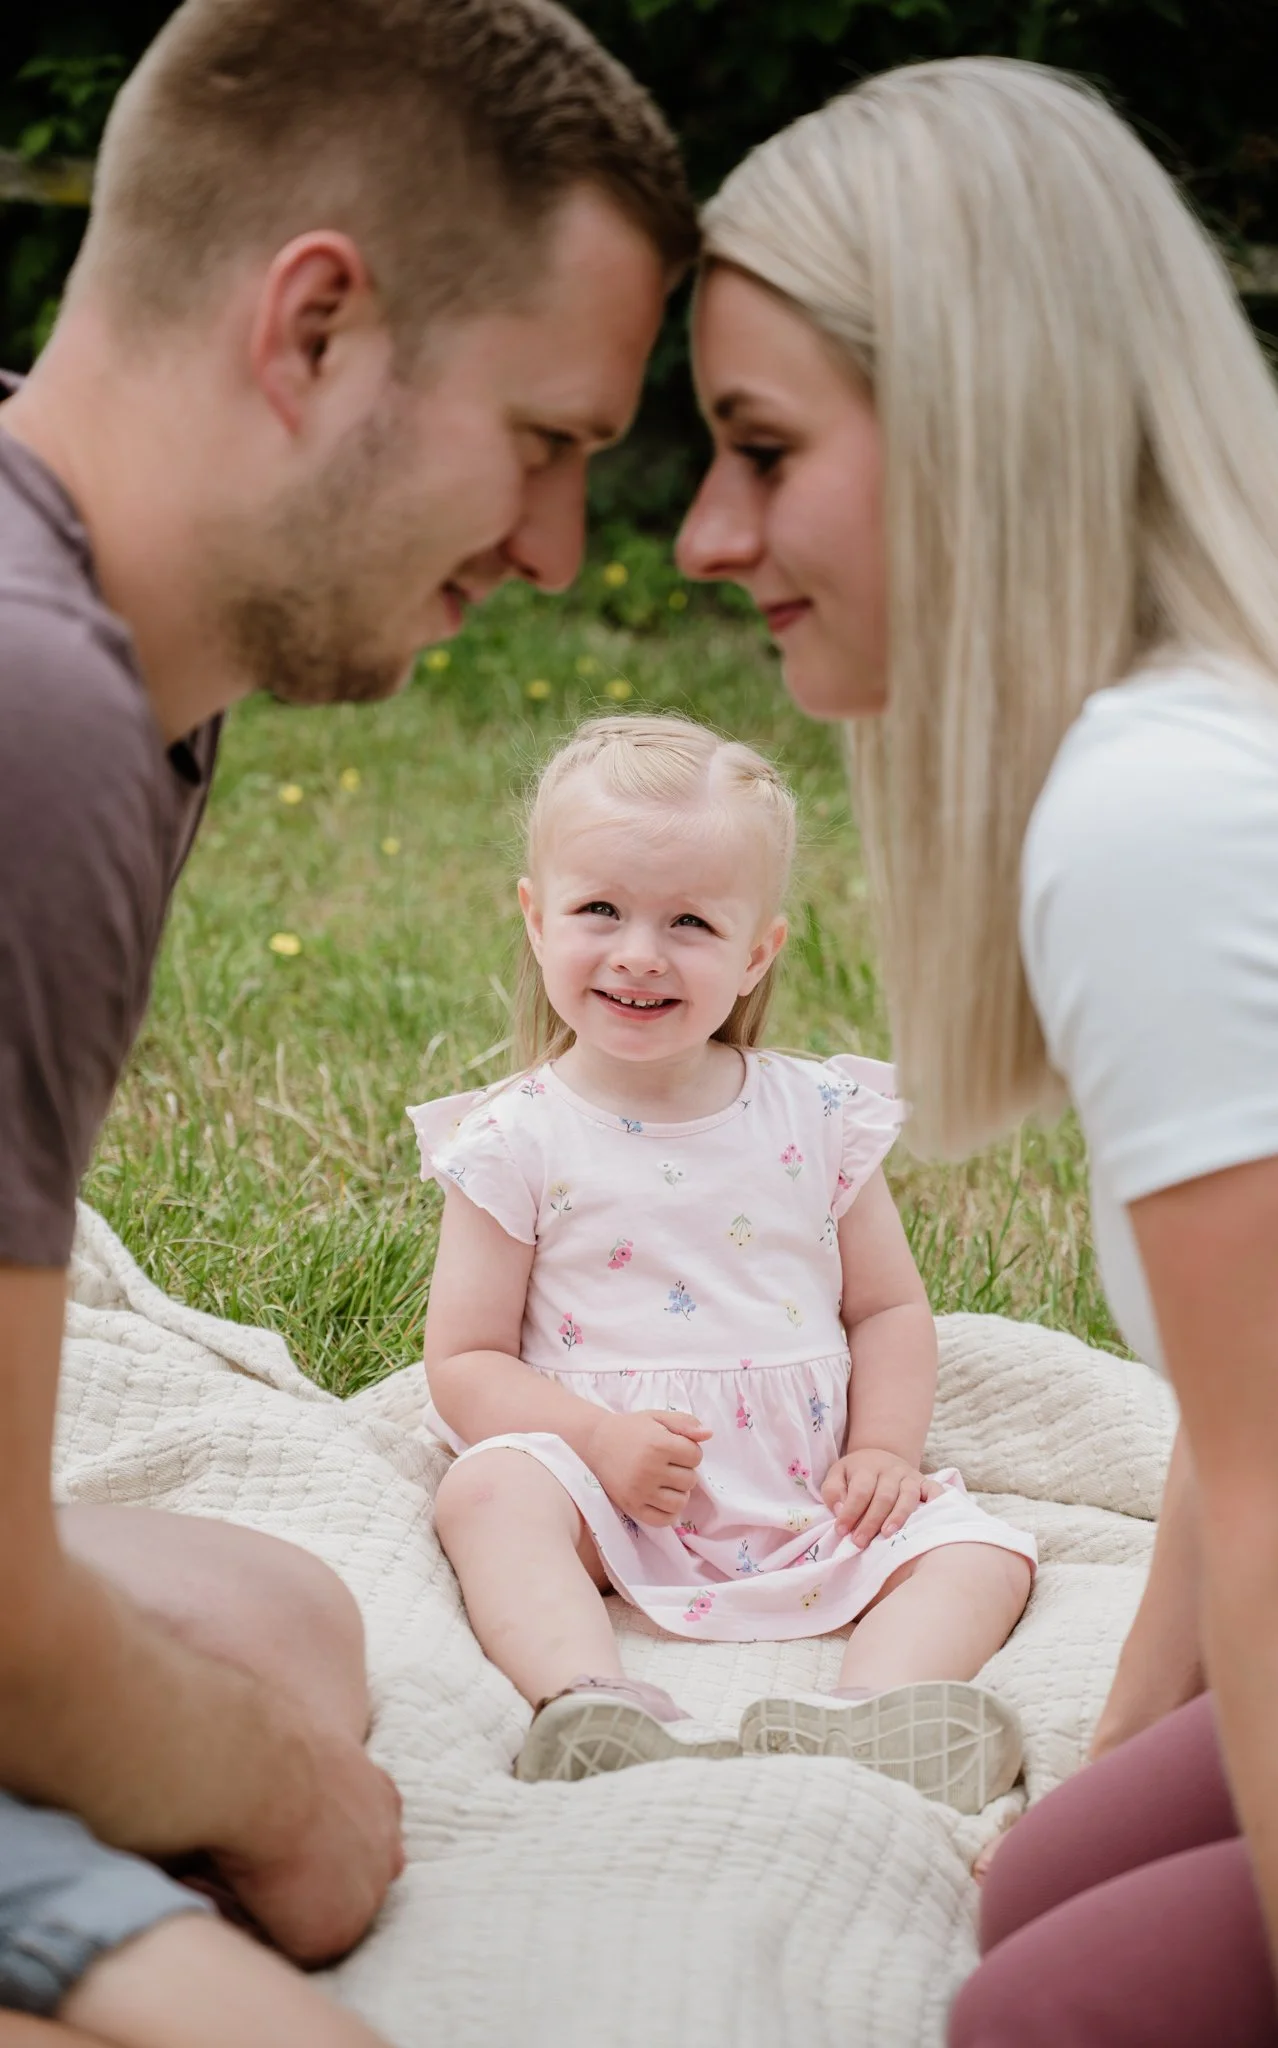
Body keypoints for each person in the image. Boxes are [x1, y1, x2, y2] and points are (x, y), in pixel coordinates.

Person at [0, 0, 697, 2036]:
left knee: (288, 1620)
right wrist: (286, 1807)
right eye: (546, 445)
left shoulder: (118, 657)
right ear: (315, 325)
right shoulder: (32, 712)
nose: (562, 550)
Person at [674, 52, 1278, 2048]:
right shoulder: (1163, 755)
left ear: (968, 423)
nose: (698, 533)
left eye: (759, 450)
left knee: (1036, 2019)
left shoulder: (1157, 808)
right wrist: (1090, 1793)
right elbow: (1232, 1423)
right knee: (1050, 1889)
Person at [411, 712, 1034, 1804]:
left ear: (757, 952)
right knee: (488, 1490)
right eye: (598, 909)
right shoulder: (517, 1136)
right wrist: (596, 1441)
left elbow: (887, 1309)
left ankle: (868, 1715)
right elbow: (463, 1360)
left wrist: (885, 1450)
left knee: (984, 1549)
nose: (639, 952)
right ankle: (590, 1696)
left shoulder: (818, 1113)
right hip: (612, 1497)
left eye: (690, 921)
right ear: (534, 917)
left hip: (804, 1495)